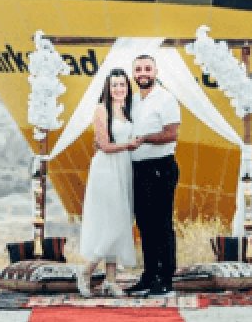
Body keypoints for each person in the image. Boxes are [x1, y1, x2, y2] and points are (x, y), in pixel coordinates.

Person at [76, 68, 140, 297]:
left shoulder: (128, 110)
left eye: (122, 84)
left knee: (121, 220)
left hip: (124, 167)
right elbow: (103, 144)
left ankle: (110, 280)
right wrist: (129, 145)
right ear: (108, 87)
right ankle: (86, 271)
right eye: (114, 85)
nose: (119, 89)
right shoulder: (101, 110)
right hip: (107, 168)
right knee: (114, 220)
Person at [126, 53, 181, 297]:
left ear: (156, 72)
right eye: (138, 69)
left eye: (147, 69)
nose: (143, 73)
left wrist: (144, 139)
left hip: (160, 166)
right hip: (139, 169)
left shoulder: (166, 98)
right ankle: (149, 276)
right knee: (145, 225)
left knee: (161, 224)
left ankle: (166, 278)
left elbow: (171, 134)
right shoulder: (134, 101)